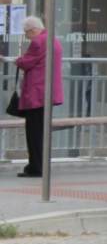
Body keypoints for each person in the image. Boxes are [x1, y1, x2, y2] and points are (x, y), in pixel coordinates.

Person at [14, 16, 63, 177]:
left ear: (33, 30)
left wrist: (17, 60)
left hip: (37, 94)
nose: (27, 36)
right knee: (42, 132)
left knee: (34, 133)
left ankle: (36, 167)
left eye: (26, 33)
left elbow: (26, 62)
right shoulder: (54, 40)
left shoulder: (38, 42)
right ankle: (41, 165)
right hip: (48, 93)